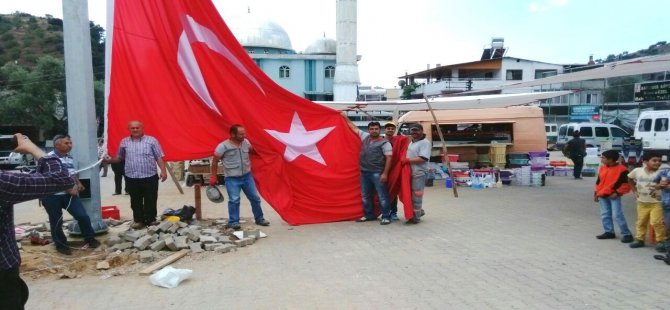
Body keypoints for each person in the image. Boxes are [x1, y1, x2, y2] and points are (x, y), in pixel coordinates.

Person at [1, 133, 75, 310]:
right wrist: (32, 148)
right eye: (66, 142)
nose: (69, 145)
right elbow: (62, 179)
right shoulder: (4, 182)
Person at [40, 135, 101, 255]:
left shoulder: (69, 158)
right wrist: (68, 189)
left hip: (69, 195)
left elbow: (72, 174)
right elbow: (53, 177)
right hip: (52, 196)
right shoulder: (49, 159)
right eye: (66, 143)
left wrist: (78, 183)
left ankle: (90, 239)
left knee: (82, 216)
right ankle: (61, 245)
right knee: (56, 221)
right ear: (57, 145)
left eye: (70, 143)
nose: (70, 145)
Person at [105, 121, 167, 229]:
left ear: (142, 128)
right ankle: (139, 220)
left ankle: (151, 220)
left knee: (150, 199)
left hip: (149, 176)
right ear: (129, 129)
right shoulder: (124, 142)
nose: (135, 130)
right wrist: (107, 161)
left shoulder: (151, 141)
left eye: (137, 127)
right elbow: (119, 157)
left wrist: (163, 171)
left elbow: (159, 157)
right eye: (132, 128)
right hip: (131, 177)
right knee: (135, 200)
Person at [209, 124, 269, 230]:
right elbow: (214, 161)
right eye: (241, 134)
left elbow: (254, 151)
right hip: (232, 179)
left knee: (255, 198)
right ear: (233, 134)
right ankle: (233, 222)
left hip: (247, 176)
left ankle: (259, 219)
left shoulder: (246, 143)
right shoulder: (223, 146)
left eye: (244, 133)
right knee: (234, 200)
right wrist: (213, 176)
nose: (244, 136)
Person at [344, 116, 393, 225]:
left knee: (382, 195)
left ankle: (386, 216)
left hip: (377, 173)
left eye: (376, 129)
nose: (374, 130)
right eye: (371, 129)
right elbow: (353, 127)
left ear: (380, 130)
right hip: (364, 172)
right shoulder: (365, 137)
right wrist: (344, 116)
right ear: (369, 130)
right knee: (365, 195)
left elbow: (389, 158)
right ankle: (369, 215)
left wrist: (385, 174)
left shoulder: (385, 143)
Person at [628, 152, 666, 251]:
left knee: (656, 222)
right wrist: (634, 191)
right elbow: (630, 178)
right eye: (654, 160)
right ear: (645, 161)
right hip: (642, 202)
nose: (657, 163)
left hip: (657, 203)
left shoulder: (663, 173)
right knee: (641, 221)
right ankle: (639, 239)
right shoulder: (637, 171)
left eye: (659, 161)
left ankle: (661, 241)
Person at [594, 149, 633, 242]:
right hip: (602, 195)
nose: (601, 159)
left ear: (610, 159)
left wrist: (618, 193)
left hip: (613, 195)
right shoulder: (603, 168)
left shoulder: (622, 169)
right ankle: (609, 232)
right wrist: (596, 193)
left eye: (603, 158)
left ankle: (627, 234)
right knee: (605, 214)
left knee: (617, 215)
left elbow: (626, 184)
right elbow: (598, 182)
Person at [401, 123, 431, 224]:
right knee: (410, 195)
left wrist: (407, 161)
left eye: (417, 130)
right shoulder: (412, 142)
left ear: (422, 131)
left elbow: (423, 158)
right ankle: (418, 212)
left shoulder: (425, 143)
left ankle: (415, 218)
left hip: (419, 173)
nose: (414, 132)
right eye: (412, 130)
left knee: (417, 195)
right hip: (411, 172)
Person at [384, 122, 400, 221]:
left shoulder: (398, 140)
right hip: (382, 169)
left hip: (394, 170)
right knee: (382, 192)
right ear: (384, 130)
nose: (390, 130)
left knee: (393, 192)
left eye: (392, 128)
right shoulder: (380, 140)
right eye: (388, 128)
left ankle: (393, 212)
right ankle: (384, 211)